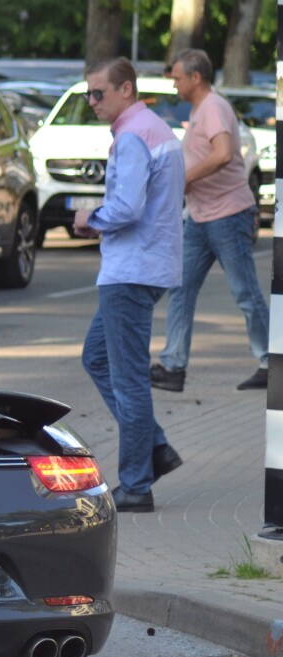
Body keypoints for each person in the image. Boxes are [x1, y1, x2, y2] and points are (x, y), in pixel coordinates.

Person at [73, 57, 185, 513]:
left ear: (126, 89)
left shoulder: (133, 135)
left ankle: (137, 484)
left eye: (98, 93)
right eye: (89, 94)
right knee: (97, 357)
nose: (92, 102)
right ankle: (154, 448)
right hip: (147, 266)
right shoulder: (154, 127)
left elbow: (127, 206)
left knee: (129, 380)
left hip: (130, 270)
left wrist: (89, 219)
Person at [150, 48, 269, 393]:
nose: (173, 83)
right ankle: (173, 366)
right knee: (181, 288)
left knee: (245, 291)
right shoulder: (201, 110)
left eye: (177, 77)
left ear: (195, 77)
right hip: (201, 217)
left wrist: (184, 179)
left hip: (228, 215)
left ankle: (270, 362)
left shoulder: (214, 107)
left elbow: (223, 153)